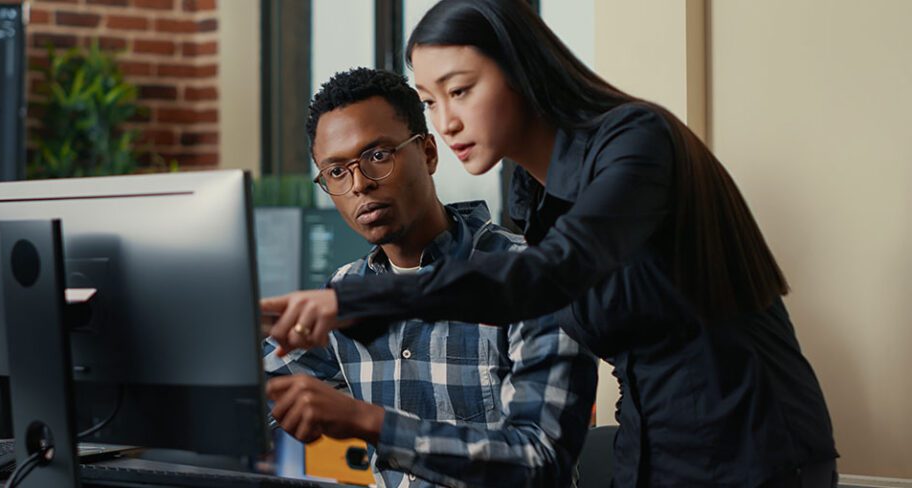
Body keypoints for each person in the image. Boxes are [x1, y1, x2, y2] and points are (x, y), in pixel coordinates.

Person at [263, 1, 838, 486]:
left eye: (460, 91)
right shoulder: (532, 197)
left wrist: (354, 304)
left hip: (753, 447)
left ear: (522, 71)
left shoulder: (636, 141)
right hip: (651, 450)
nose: (447, 122)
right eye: (431, 101)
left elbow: (548, 276)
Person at [264, 67, 597, 487]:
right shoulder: (344, 290)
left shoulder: (529, 275)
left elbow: (539, 461)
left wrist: (366, 421)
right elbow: (251, 397)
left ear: (428, 153)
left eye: (378, 156)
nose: (360, 184)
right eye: (336, 171)